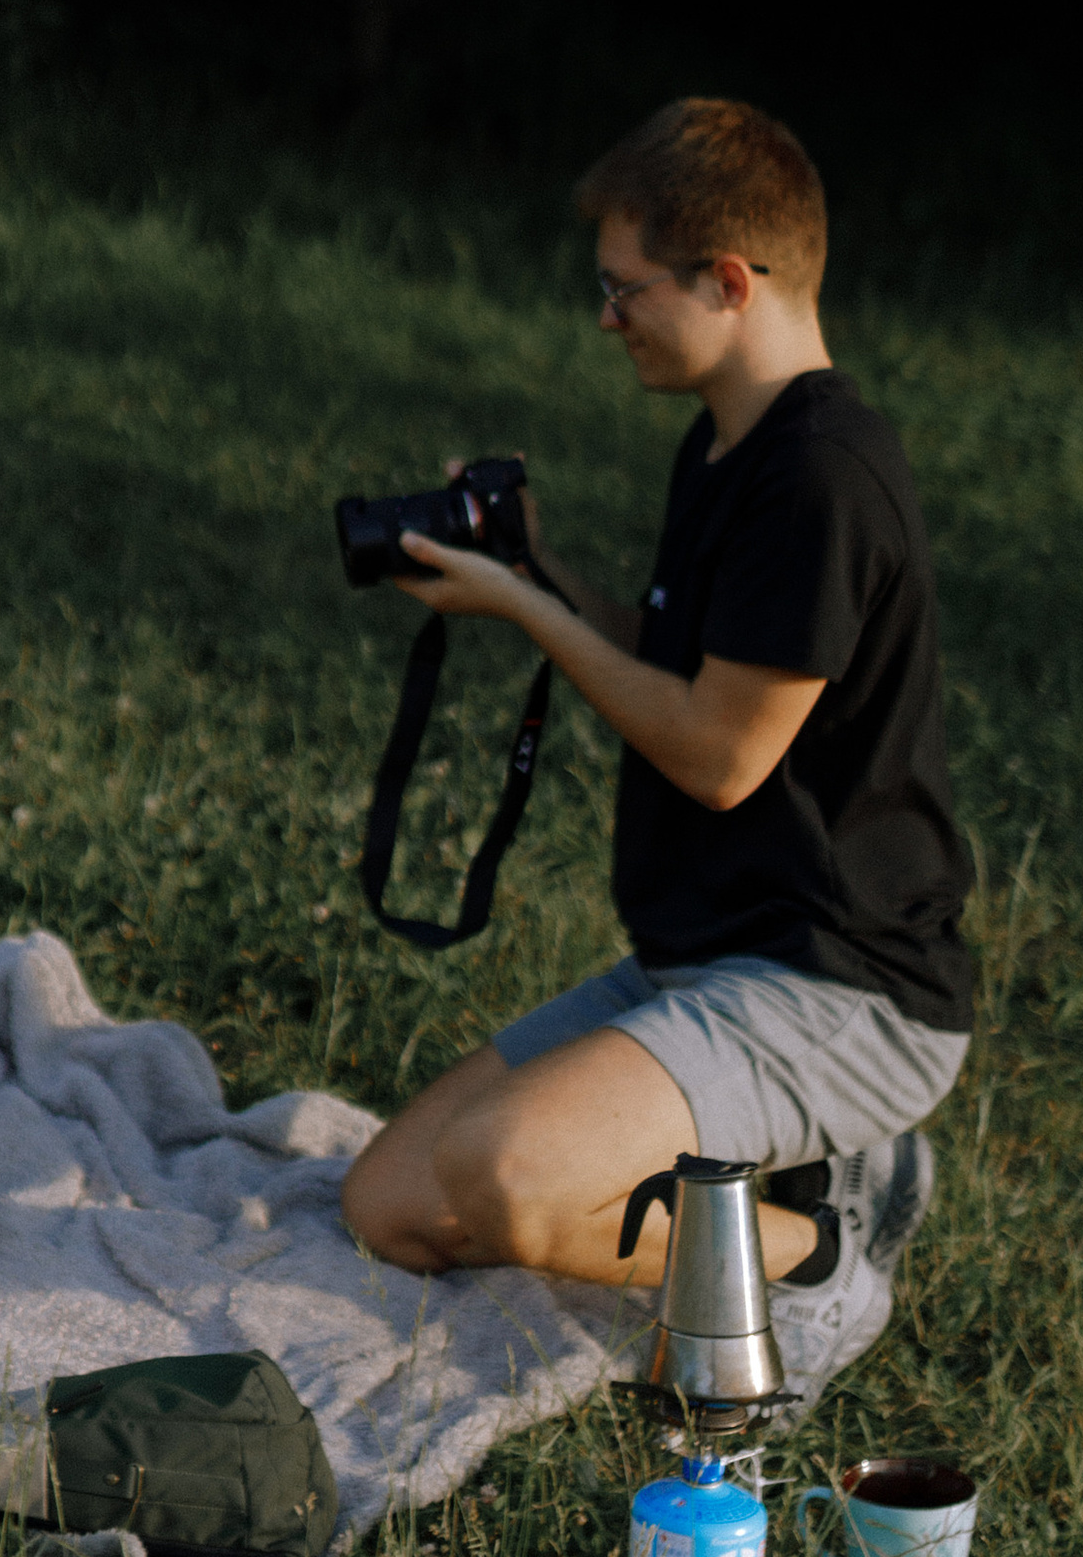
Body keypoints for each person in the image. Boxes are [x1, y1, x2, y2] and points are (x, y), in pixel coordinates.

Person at [339, 97, 972, 1403]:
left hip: (841, 985)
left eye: (626, 289)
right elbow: (692, 656)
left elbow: (721, 753)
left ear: (730, 280)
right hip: (707, 957)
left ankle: (818, 1246)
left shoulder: (823, 477)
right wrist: (533, 569)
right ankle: (743, 1163)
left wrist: (525, 613)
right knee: (392, 1201)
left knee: (511, 1184)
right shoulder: (731, 440)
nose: (606, 316)